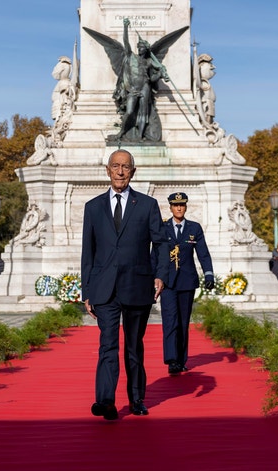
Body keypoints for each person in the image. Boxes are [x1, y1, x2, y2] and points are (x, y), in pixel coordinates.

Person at [81, 149, 169, 420]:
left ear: (133, 171)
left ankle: (136, 398)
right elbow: (88, 251)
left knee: (133, 347)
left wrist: (160, 274)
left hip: (138, 286)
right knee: (108, 345)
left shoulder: (147, 205)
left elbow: (162, 243)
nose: (120, 171)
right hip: (105, 289)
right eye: (115, 166)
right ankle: (106, 400)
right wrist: (87, 291)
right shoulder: (93, 207)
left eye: (125, 167)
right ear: (107, 170)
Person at [83, 19, 187, 142]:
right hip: (133, 89)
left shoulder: (149, 61)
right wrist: (125, 27)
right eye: (139, 47)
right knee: (130, 111)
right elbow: (126, 42)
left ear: (146, 49)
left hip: (145, 87)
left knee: (143, 113)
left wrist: (160, 73)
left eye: (142, 47)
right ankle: (121, 133)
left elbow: (152, 77)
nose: (140, 49)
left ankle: (140, 136)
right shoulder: (130, 56)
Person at [157, 192, 214, 376]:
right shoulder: (163, 228)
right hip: (168, 282)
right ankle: (172, 360)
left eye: (182, 205)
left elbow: (203, 253)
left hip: (187, 282)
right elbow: (155, 255)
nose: (179, 208)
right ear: (171, 207)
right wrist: (153, 278)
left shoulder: (194, 228)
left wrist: (208, 274)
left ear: (185, 207)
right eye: (175, 205)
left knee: (182, 322)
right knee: (169, 321)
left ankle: (181, 360)